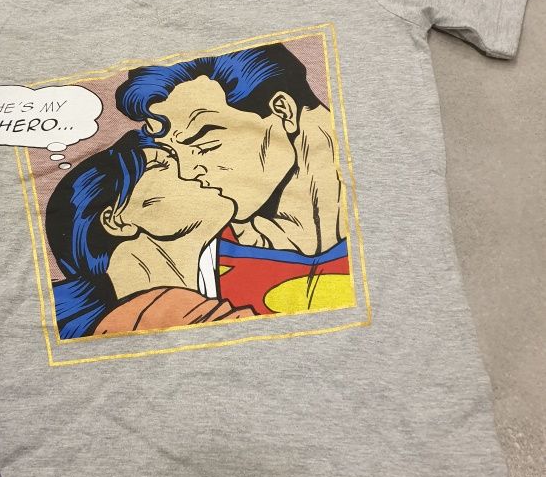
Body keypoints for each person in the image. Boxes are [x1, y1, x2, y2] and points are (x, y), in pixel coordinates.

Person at [115, 44, 354, 316]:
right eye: (171, 153)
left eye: (202, 144)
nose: (186, 173)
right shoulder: (192, 255)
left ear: (283, 111)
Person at [47, 130, 255, 338]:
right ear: (117, 220)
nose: (196, 171)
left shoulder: (172, 313)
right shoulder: (184, 315)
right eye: (162, 166)